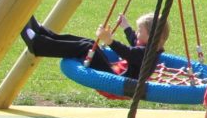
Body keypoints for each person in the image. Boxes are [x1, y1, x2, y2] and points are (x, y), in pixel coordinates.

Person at [20, 12, 168, 78]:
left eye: (139, 30)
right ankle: (43, 33)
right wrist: (126, 27)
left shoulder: (148, 55)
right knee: (90, 43)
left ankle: (39, 45)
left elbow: (128, 52)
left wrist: (109, 40)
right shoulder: (149, 47)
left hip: (116, 79)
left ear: (152, 36)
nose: (136, 33)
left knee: (88, 48)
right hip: (116, 72)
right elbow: (134, 42)